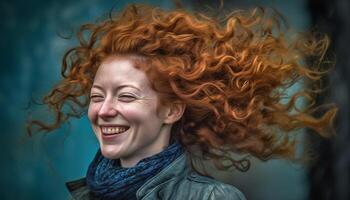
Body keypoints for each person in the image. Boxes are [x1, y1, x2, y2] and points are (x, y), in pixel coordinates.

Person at [28, 3, 337, 200]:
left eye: (126, 96)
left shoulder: (214, 198)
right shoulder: (84, 195)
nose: (104, 110)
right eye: (97, 97)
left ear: (173, 110)